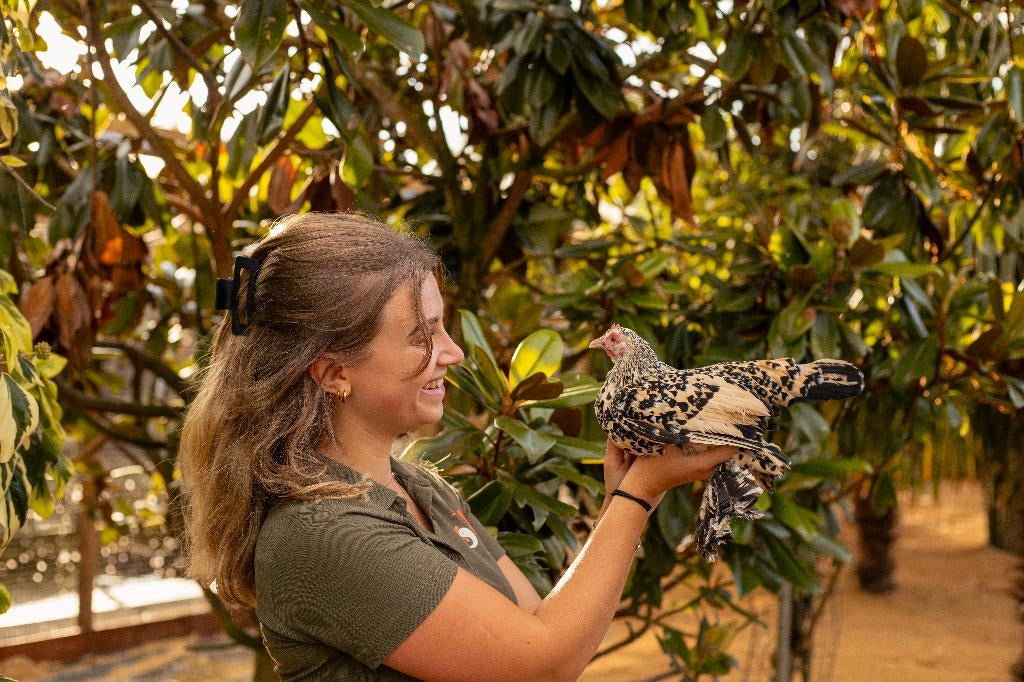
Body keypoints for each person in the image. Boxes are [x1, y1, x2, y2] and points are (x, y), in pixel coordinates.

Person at [179, 212, 736, 681]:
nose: (453, 354)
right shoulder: (322, 532)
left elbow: (539, 623)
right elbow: (544, 663)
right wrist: (640, 493)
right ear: (331, 372)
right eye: (421, 336)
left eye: (442, 329)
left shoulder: (416, 486)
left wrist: (624, 499)